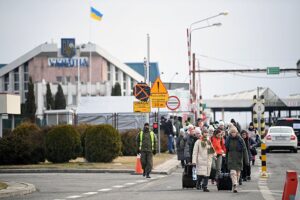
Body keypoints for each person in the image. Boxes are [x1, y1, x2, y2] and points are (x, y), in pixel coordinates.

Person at [225, 126, 249, 193]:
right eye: (232, 132)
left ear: (236, 132)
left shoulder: (240, 139)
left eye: (234, 132)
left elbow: (245, 150)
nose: (233, 133)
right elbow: (226, 150)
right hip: (231, 158)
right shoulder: (228, 140)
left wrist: (247, 160)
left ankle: (235, 185)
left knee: (238, 174)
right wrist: (226, 160)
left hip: (239, 158)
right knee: (233, 172)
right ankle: (235, 184)